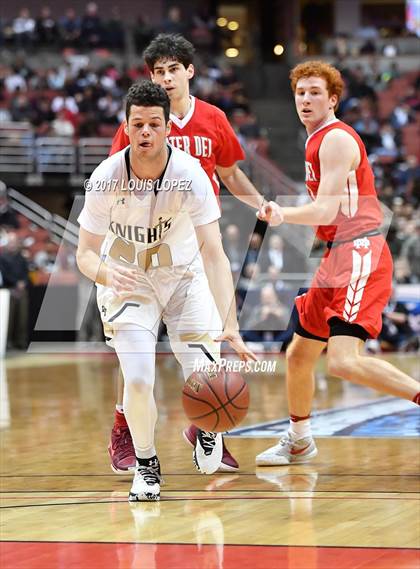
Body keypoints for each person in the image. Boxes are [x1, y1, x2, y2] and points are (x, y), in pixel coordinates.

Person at [77, 81, 255, 500]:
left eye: (153, 124)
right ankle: (147, 464)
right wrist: (105, 275)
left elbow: (214, 253)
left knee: (208, 377)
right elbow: (84, 254)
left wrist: (229, 321)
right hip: (128, 281)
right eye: (137, 123)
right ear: (126, 125)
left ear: (166, 129)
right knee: (138, 379)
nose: (145, 132)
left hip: (184, 277)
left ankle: (207, 432)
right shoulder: (105, 178)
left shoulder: (190, 173)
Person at [108, 33, 265, 475]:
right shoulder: (140, 124)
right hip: (146, 248)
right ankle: (125, 426)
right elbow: (118, 181)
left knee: (210, 344)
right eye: (158, 71)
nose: (166, 77)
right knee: (135, 347)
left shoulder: (213, 119)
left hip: (199, 243)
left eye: (173, 69)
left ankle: (206, 421)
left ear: (189, 72)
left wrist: (260, 205)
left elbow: (231, 174)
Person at [255, 61, 420, 466]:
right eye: (300, 92)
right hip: (336, 254)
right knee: (298, 355)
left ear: (332, 99)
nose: (306, 99)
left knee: (344, 361)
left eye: (315, 92)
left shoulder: (335, 140)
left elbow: (326, 209)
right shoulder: (314, 140)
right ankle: (298, 438)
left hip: (360, 251)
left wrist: (282, 214)